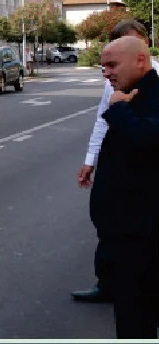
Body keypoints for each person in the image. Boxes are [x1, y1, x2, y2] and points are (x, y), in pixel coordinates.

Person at [73, 20, 159, 303]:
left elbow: (146, 136)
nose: (108, 72)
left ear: (143, 49)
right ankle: (108, 282)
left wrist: (121, 109)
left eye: (113, 63)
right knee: (107, 225)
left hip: (142, 191)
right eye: (105, 65)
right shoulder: (116, 81)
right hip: (117, 179)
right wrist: (91, 160)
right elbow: (103, 120)